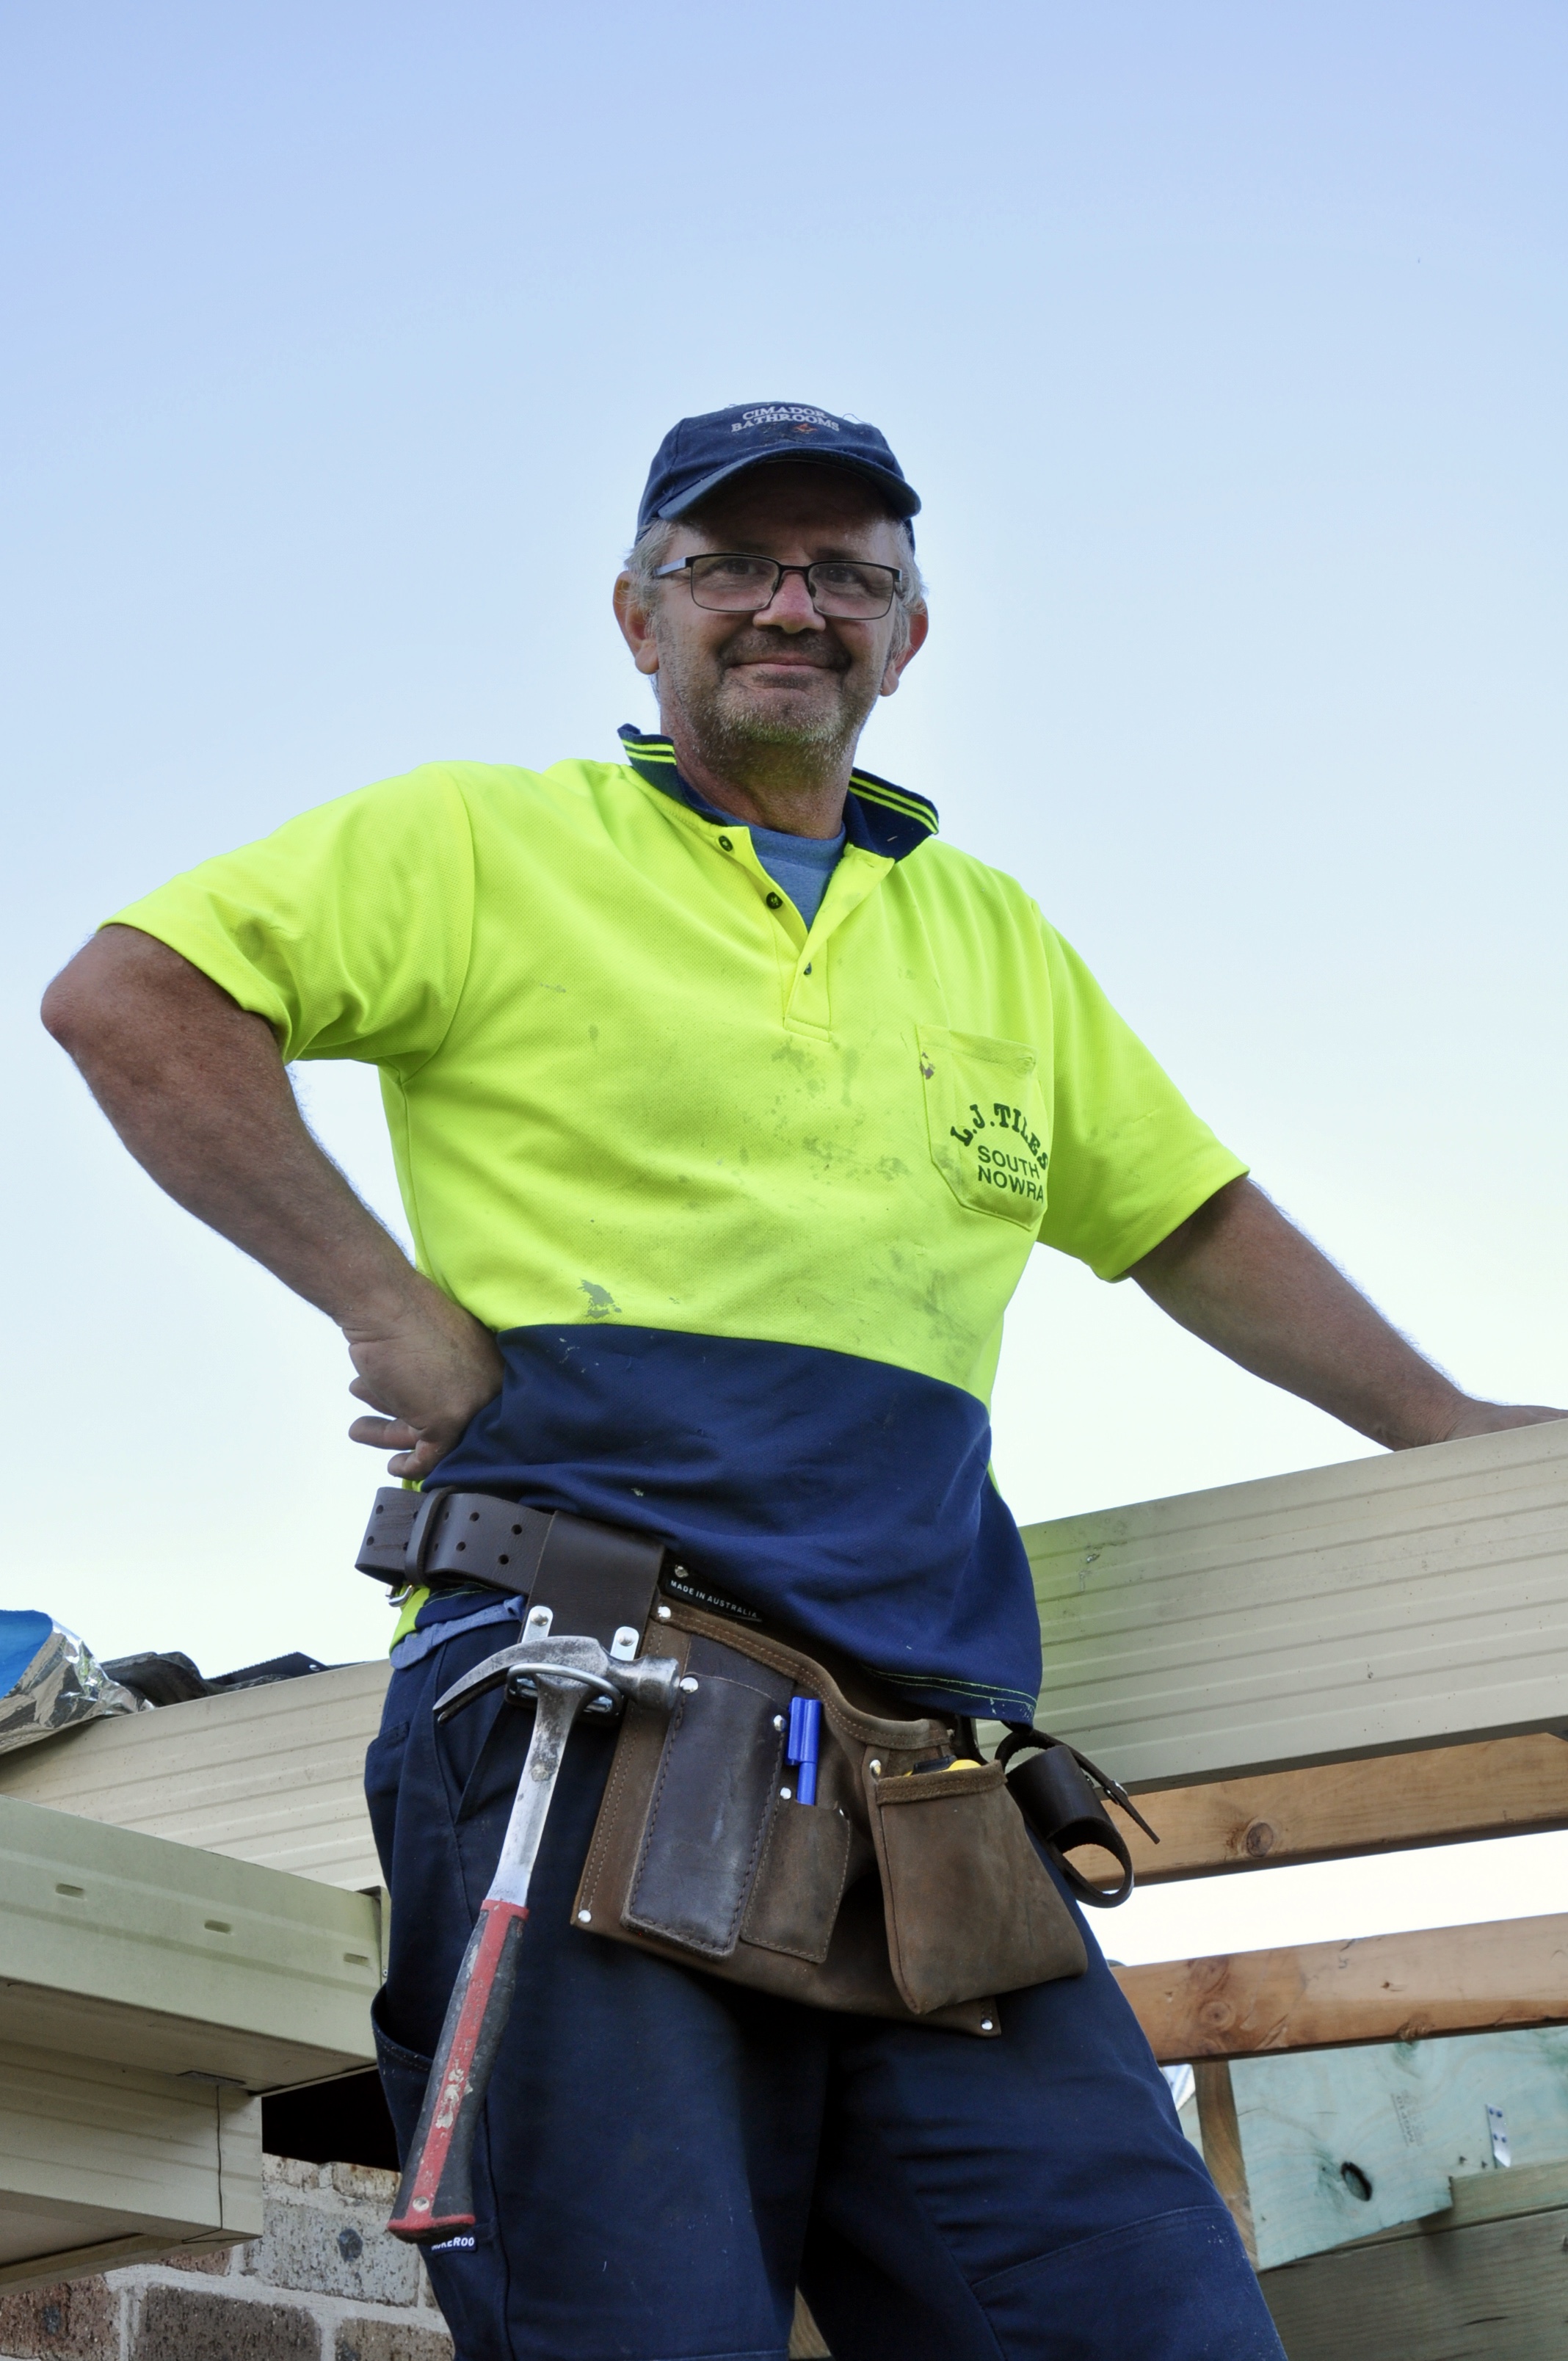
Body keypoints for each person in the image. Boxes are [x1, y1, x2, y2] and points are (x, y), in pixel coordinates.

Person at [43, 401, 1560, 2361]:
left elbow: (1191, 1218)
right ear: (638, 616)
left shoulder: (984, 934)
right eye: (732, 565)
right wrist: (385, 1307)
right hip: (586, 1706)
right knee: (638, 2327)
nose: (791, 605)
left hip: (929, 1785)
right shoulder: (483, 841)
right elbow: (134, 992)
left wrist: (1445, 1431)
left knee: (1145, 2323)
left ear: (907, 636)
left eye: (848, 573)